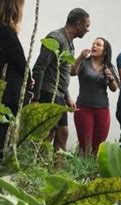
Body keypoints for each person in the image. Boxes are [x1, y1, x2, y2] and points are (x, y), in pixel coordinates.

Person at [32, 8, 90, 151]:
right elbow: (39, 68)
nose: (88, 30)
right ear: (78, 24)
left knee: (62, 133)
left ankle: (58, 169)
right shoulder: (55, 38)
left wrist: (67, 97)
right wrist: (35, 98)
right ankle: (41, 167)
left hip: (59, 94)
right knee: (49, 133)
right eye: (86, 26)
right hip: (48, 92)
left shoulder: (70, 43)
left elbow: (62, 73)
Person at [0, 0, 29, 164]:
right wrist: (30, 78)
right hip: (9, 88)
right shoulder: (6, 32)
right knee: (3, 127)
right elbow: (19, 61)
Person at [71, 37, 118, 155]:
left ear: (105, 51)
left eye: (98, 45)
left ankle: (93, 171)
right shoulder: (84, 62)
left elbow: (114, 88)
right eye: (93, 44)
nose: (94, 46)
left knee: (98, 146)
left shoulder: (109, 67)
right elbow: (72, 72)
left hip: (102, 109)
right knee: (85, 146)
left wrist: (111, 78)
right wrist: (80, 57)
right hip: (83, 108)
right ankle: (81, 169)